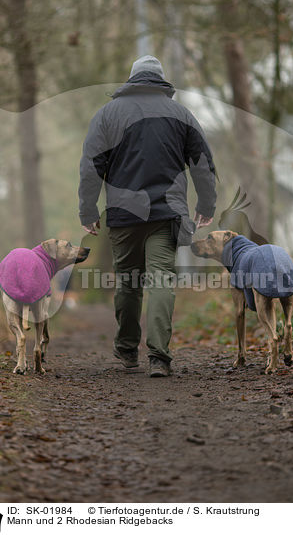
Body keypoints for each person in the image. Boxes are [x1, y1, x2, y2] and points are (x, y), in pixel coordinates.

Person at [78, 55, 216, 377]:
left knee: (128, 281)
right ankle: (159, 357)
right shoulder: (181, 114)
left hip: (124, 213)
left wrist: (87, 209)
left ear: (132, 79)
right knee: (161, 281)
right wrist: (206, 205)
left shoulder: (107, 114)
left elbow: (90, 166)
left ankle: (127, 350)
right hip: (167, 212)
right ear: (162, 82)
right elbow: (202, 163)